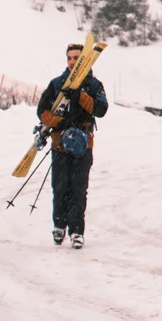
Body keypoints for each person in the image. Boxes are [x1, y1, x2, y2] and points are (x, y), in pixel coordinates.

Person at [35, 44, 108, 248]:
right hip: (60, 144)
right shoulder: (56, 84)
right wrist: (56, 122)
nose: (72, 62)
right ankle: (59, 225)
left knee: (78, 188)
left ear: (84, 60)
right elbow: (42, 110)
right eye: (70, 58)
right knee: (59, 187)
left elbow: (101, 109)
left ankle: (77, 231)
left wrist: (81, 97)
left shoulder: (94, 85)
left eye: (77, 58)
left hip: (83, 144)